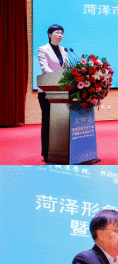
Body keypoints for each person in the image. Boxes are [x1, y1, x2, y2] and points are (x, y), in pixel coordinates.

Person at [37, 24, 70, 163]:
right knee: (48, 122)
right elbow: (45, 68)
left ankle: (61, 151)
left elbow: (66, 68)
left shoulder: (64, 50)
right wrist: (59, 80)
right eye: (57, 32)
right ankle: (46, 152)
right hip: (47, 91)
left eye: (61, 32)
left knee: (61, 123)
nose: (60, 35)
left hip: (62, 92)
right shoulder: (42, 49)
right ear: (50, 34)